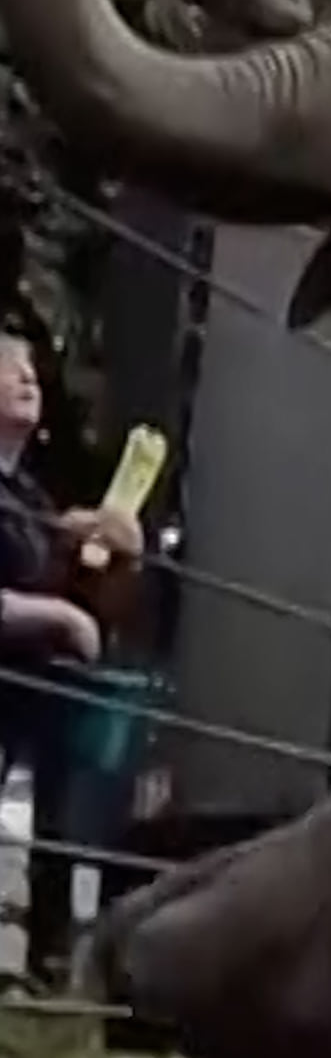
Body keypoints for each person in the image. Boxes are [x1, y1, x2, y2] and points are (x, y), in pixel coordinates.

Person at [0, 331, 143, 984]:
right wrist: (60, 617)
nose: (26, 377)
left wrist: (110, 548)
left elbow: (79, 583)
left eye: (31, 369)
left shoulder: (28, 495)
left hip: (40, 696)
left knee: (57, 822)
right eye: (8, 369)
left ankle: (46, 961)